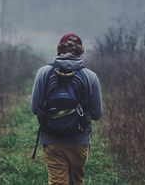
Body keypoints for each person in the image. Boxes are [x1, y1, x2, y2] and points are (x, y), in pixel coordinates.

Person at [31, 34, 103, 185]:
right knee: (76, 181)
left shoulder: (43, 72)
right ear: (80, 51)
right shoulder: (90, 76)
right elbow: (97, 114)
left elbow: (34, 108)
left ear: (59, 49)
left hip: (52, 139)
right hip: (79, 138)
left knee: (58, 182)